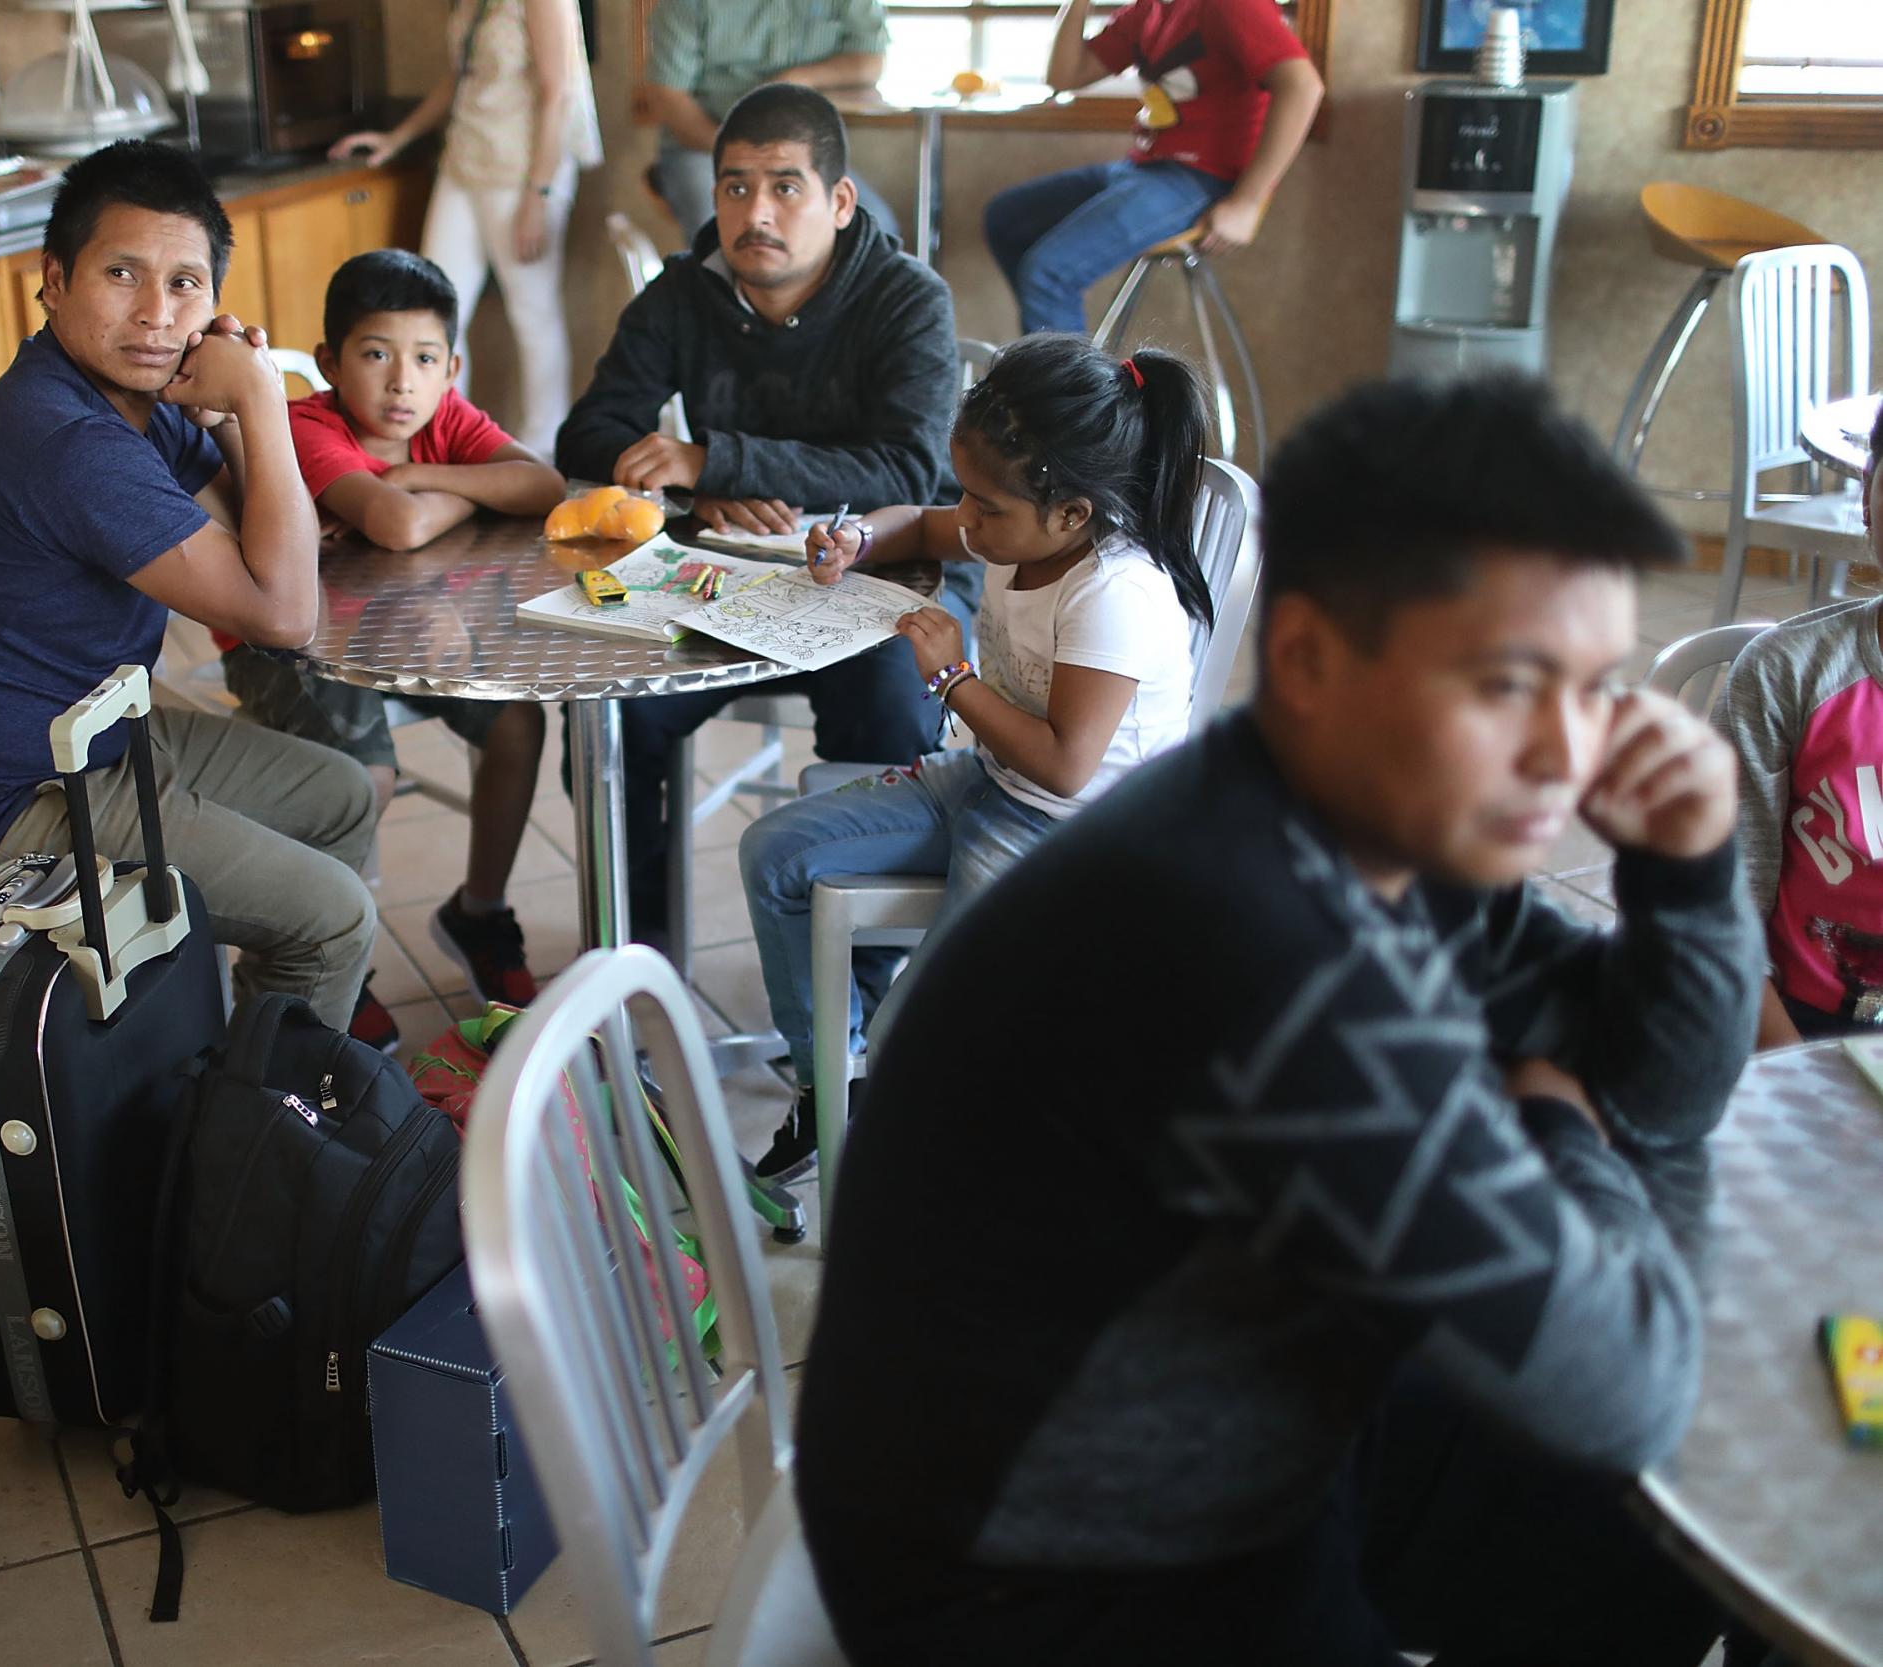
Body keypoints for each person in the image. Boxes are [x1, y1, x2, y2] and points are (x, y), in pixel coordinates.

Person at [797, 374, 1756, 1664]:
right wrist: (1557, 1120)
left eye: (1592, 687)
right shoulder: (1271, 962)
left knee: (1631, 1540)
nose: (1563, 757)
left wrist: (1690, 881)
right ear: (1306, 655)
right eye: (1507, 685)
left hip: (1169, 1432)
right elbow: (1631, 1387)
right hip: (1035, 1589)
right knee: (1641, 1484)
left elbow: (1655, 1088)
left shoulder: (1347, 819)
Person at [0, 140, 378, 1029]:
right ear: (54, 281)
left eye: (186, 284)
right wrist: (265, 402)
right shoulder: (68, 440)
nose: (155, 313)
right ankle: (259, 1144)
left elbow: (261, 526)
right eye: (122, 273)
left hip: (97, 740)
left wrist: (226, 407)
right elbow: (284, 610)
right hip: (12, 803)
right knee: (335, 917)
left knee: (340, 796)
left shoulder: (121, 402)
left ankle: (276, 1045)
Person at [737, 335, 1211, 1183]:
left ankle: (931, 1159)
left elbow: (1067, 766)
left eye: (985, 506)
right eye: (968, 493)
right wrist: (856, 541)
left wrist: (951, 676)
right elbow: (922, 524)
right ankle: (831, 1091)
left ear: (1071, 513)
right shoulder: (1019, 526)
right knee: (775, 853)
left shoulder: (1117, 592)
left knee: (921, 1040)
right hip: (994, 778)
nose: (968, 517)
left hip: (1075, 833)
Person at [554, 84, 975, 949]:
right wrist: (694, 493)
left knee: (894, 709)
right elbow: (585, 431)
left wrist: (715, 458)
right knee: (607, 717)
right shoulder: (683, 294)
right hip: (725, 583)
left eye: (786, 185)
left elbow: (907, 468)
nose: (757, 212)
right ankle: (642, 961)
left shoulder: (907, 299)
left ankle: (856, 988)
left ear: (840, 200)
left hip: (884, 580)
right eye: (735, 186)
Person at [223, 249, 566, 1023]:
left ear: (452, 366)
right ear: (328, 364)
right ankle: (316, 946)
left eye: (423, 359)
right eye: (376, 355)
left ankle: (479, 912)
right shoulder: (306, 425)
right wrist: (436, 494)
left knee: (517, 721)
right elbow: (398, 526)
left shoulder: (445, 417)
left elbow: (542, 485)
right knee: (363, 779)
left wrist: (420, 479)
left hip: (408, 624)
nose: (402, 382)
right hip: (286, 643)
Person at [328, 0, 603, 458]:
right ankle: (442, 442)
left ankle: (544, 451)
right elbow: (460, 80)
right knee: (436, 309)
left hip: (521, 169)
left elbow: (559, 92)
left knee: (533, 311)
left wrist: (539, 194)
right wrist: (398, 138)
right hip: (464, 160)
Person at [983, 0, 1324, 336]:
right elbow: (1063, 75)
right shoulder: (1147, 11)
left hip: (1206, 179)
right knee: (1006, 219)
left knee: (1049, 273)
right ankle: (1053, 368)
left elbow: (1303, 86)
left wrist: (1247, 203)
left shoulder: (1230, 5)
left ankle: (1072, 391)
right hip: (1144, 169)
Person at [1716, 400, 1883, 1048]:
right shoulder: (1784, 676)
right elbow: (1721, 917)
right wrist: (1793, 1070)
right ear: (1867, 500)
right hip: (1797, 1033)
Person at [642, 0, 900, 244]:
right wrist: (736, 150)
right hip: (704, 148)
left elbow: (871, 60)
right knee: (718, 230)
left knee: (875, 227)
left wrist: (800, 78)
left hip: (802, 151)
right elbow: (667, 94)